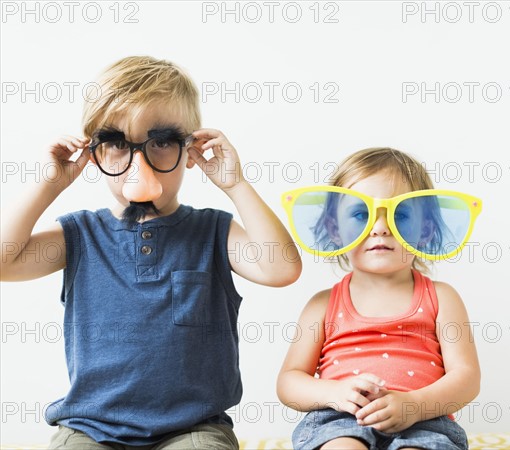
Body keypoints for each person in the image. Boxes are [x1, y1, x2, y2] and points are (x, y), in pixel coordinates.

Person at [0, 56, 302, 449]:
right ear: (95, 154)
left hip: (193, 427)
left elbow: (281, 269)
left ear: (189, 149)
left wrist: (236, 185)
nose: (137, 163)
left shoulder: (214, 231)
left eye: (160, 142)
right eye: (117, 144)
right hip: (90, 427)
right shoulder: (80, 234)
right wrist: (48, 186)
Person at [277, 147, 482, 450]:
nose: (381, 227)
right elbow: (289, 382)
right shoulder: (321, 306)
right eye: (361, 214)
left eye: (399, 214)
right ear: (335, 229)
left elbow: (467, 378)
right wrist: (334, 393)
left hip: (423, 420)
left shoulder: (442, 298)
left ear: (425, 229)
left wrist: (414, 403)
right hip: (340, 420)